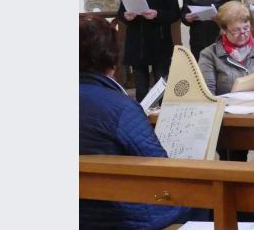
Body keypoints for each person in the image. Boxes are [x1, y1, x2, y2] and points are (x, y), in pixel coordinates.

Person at [80, 15, 190, 229]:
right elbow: (159, 166)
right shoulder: (119, 107)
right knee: (203, 198)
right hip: (117, 216)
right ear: (111, 59)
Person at [117, 0, 180, 101]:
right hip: (137, 41)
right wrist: (126, 16)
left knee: (161, 84)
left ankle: (162, 116)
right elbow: (121, 12)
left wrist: (157, 14)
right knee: (141, 87)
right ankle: (143, 117)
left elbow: (174, 13)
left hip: (159, 40)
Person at [198, 1, 254, 95]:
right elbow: (207, 94)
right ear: (224, 30)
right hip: (227, 107)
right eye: (236, 30)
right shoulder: (209, 54)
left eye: (246, 28)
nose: (243, 34)